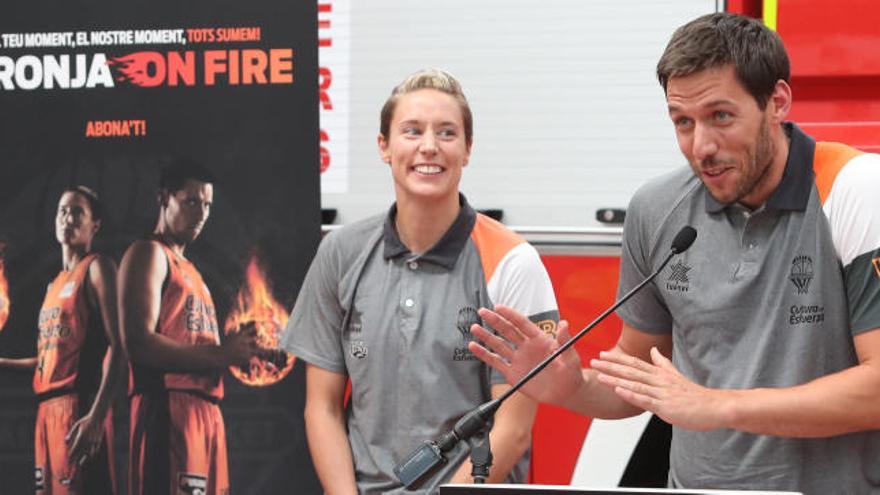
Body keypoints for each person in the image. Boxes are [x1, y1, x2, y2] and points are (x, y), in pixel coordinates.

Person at [469, 12, 880, 494]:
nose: (701, 146)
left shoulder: (853, 189)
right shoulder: (657, 209)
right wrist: (571, 388)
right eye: (682, 122)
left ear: (777, 102)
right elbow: (642, 374)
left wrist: (718, 405)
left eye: (721, 116)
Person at [281, 69, 559, 494]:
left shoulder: (512, 263)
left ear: (467, 150)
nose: (429, 147)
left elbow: (514, 428)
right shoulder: (341, 253)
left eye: (447, 133)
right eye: (412, 131)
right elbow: (322, 408)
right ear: (384, 147)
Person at [119, 161, 264, 495]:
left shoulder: (193, 273)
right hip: (168, 408)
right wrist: (220, 354)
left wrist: (239, 355)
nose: (202, 213)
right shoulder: (148, 253)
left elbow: (199, 347)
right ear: (164, 198)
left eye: (208, 204)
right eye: (192, 201)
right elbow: (137, 342)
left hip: (206, 413)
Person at [0, 186, 124, 494]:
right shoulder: (53, 286)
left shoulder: (98, 268)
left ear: (95, 224)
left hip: (79, 409)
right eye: (62, 211)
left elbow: (121, 345)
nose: (67, 218)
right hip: (47, 413)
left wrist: (96, 416)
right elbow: (46, 360)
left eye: (77, 212)